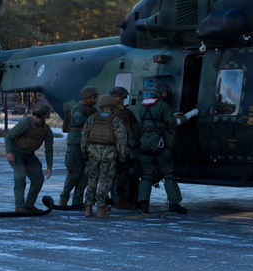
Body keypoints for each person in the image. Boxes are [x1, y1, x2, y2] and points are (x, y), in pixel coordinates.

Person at [135, 84, 189, 215]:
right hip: (159, 143)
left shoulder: (142, 106)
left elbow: (140, 124)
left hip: (144, 143)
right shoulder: (163, 106)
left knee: (146, 175)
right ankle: (174, 203)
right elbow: (173, 123)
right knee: (168, 174)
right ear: (165, 93)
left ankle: (143, 205)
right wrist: (188, 115)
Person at [81, 94, 129, 218]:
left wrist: (85, 153)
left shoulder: (92, 118)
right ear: (112, 106)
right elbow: (121, 140)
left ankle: (88, 208)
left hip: (93, 154)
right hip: (108, 155)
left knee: (91, 181)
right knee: (105, 181)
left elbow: (84, 137)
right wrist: (122, 156)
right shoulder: (115, 120)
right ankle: (101, 209)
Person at [5, 101, 55, 213]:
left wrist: (49, 166)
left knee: (38, 179)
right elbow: (9, 137)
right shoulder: (26, 123)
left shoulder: (47, 131)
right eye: (34, 114)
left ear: (44, 117)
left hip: (30, 155)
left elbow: (49, 149)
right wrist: (9, 152)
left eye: (39, 116)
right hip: (16, 153)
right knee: (20, 177)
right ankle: (20, 206)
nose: (35, 117)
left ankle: (29, 205)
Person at [58, 86, 99, 207]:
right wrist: (94, 118)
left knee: (84, 176)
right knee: (74, 173)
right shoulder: (77, 108)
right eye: (93, 97)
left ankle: (77, 201)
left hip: (88, 144)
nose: (95, 100)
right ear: (86, 97)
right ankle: (63, 198)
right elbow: (81, 120)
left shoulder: (92, 109)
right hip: (76, 143)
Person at [109, 85, 138, 209]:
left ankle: (118, 199)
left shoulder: (125, 113)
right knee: (118, 174)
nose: (123, 100)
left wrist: (131, 145)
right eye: (122, 97)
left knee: (118, 174)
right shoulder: (114, 113)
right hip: (115, 148)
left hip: (118, 148)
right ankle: (117, 199)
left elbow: (135, 129)